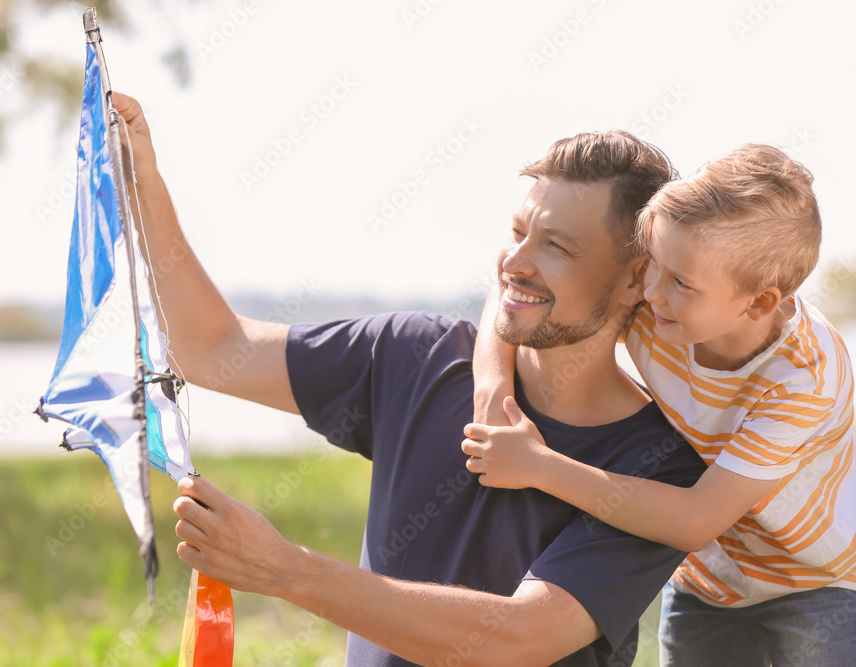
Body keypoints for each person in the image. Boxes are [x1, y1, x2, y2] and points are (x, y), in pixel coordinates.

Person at [114, 91, 705, 666]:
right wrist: (143, 182)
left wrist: (285, 568)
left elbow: (518, 640)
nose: (516, 261)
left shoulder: (661, 471)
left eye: (556, 246)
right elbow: (213, 349)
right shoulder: (413, 355)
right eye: (518, 231)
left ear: (635, 280)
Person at [466, 144, 856, 666]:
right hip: (708, 580)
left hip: (817, 582)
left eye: (679, 282)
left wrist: (539, 467)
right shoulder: (663, 303)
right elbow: (517, 289)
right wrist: (493, 392)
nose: (650, 291)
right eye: (652, 265)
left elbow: (696, 520)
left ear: (761, 302)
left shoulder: (803, 379)